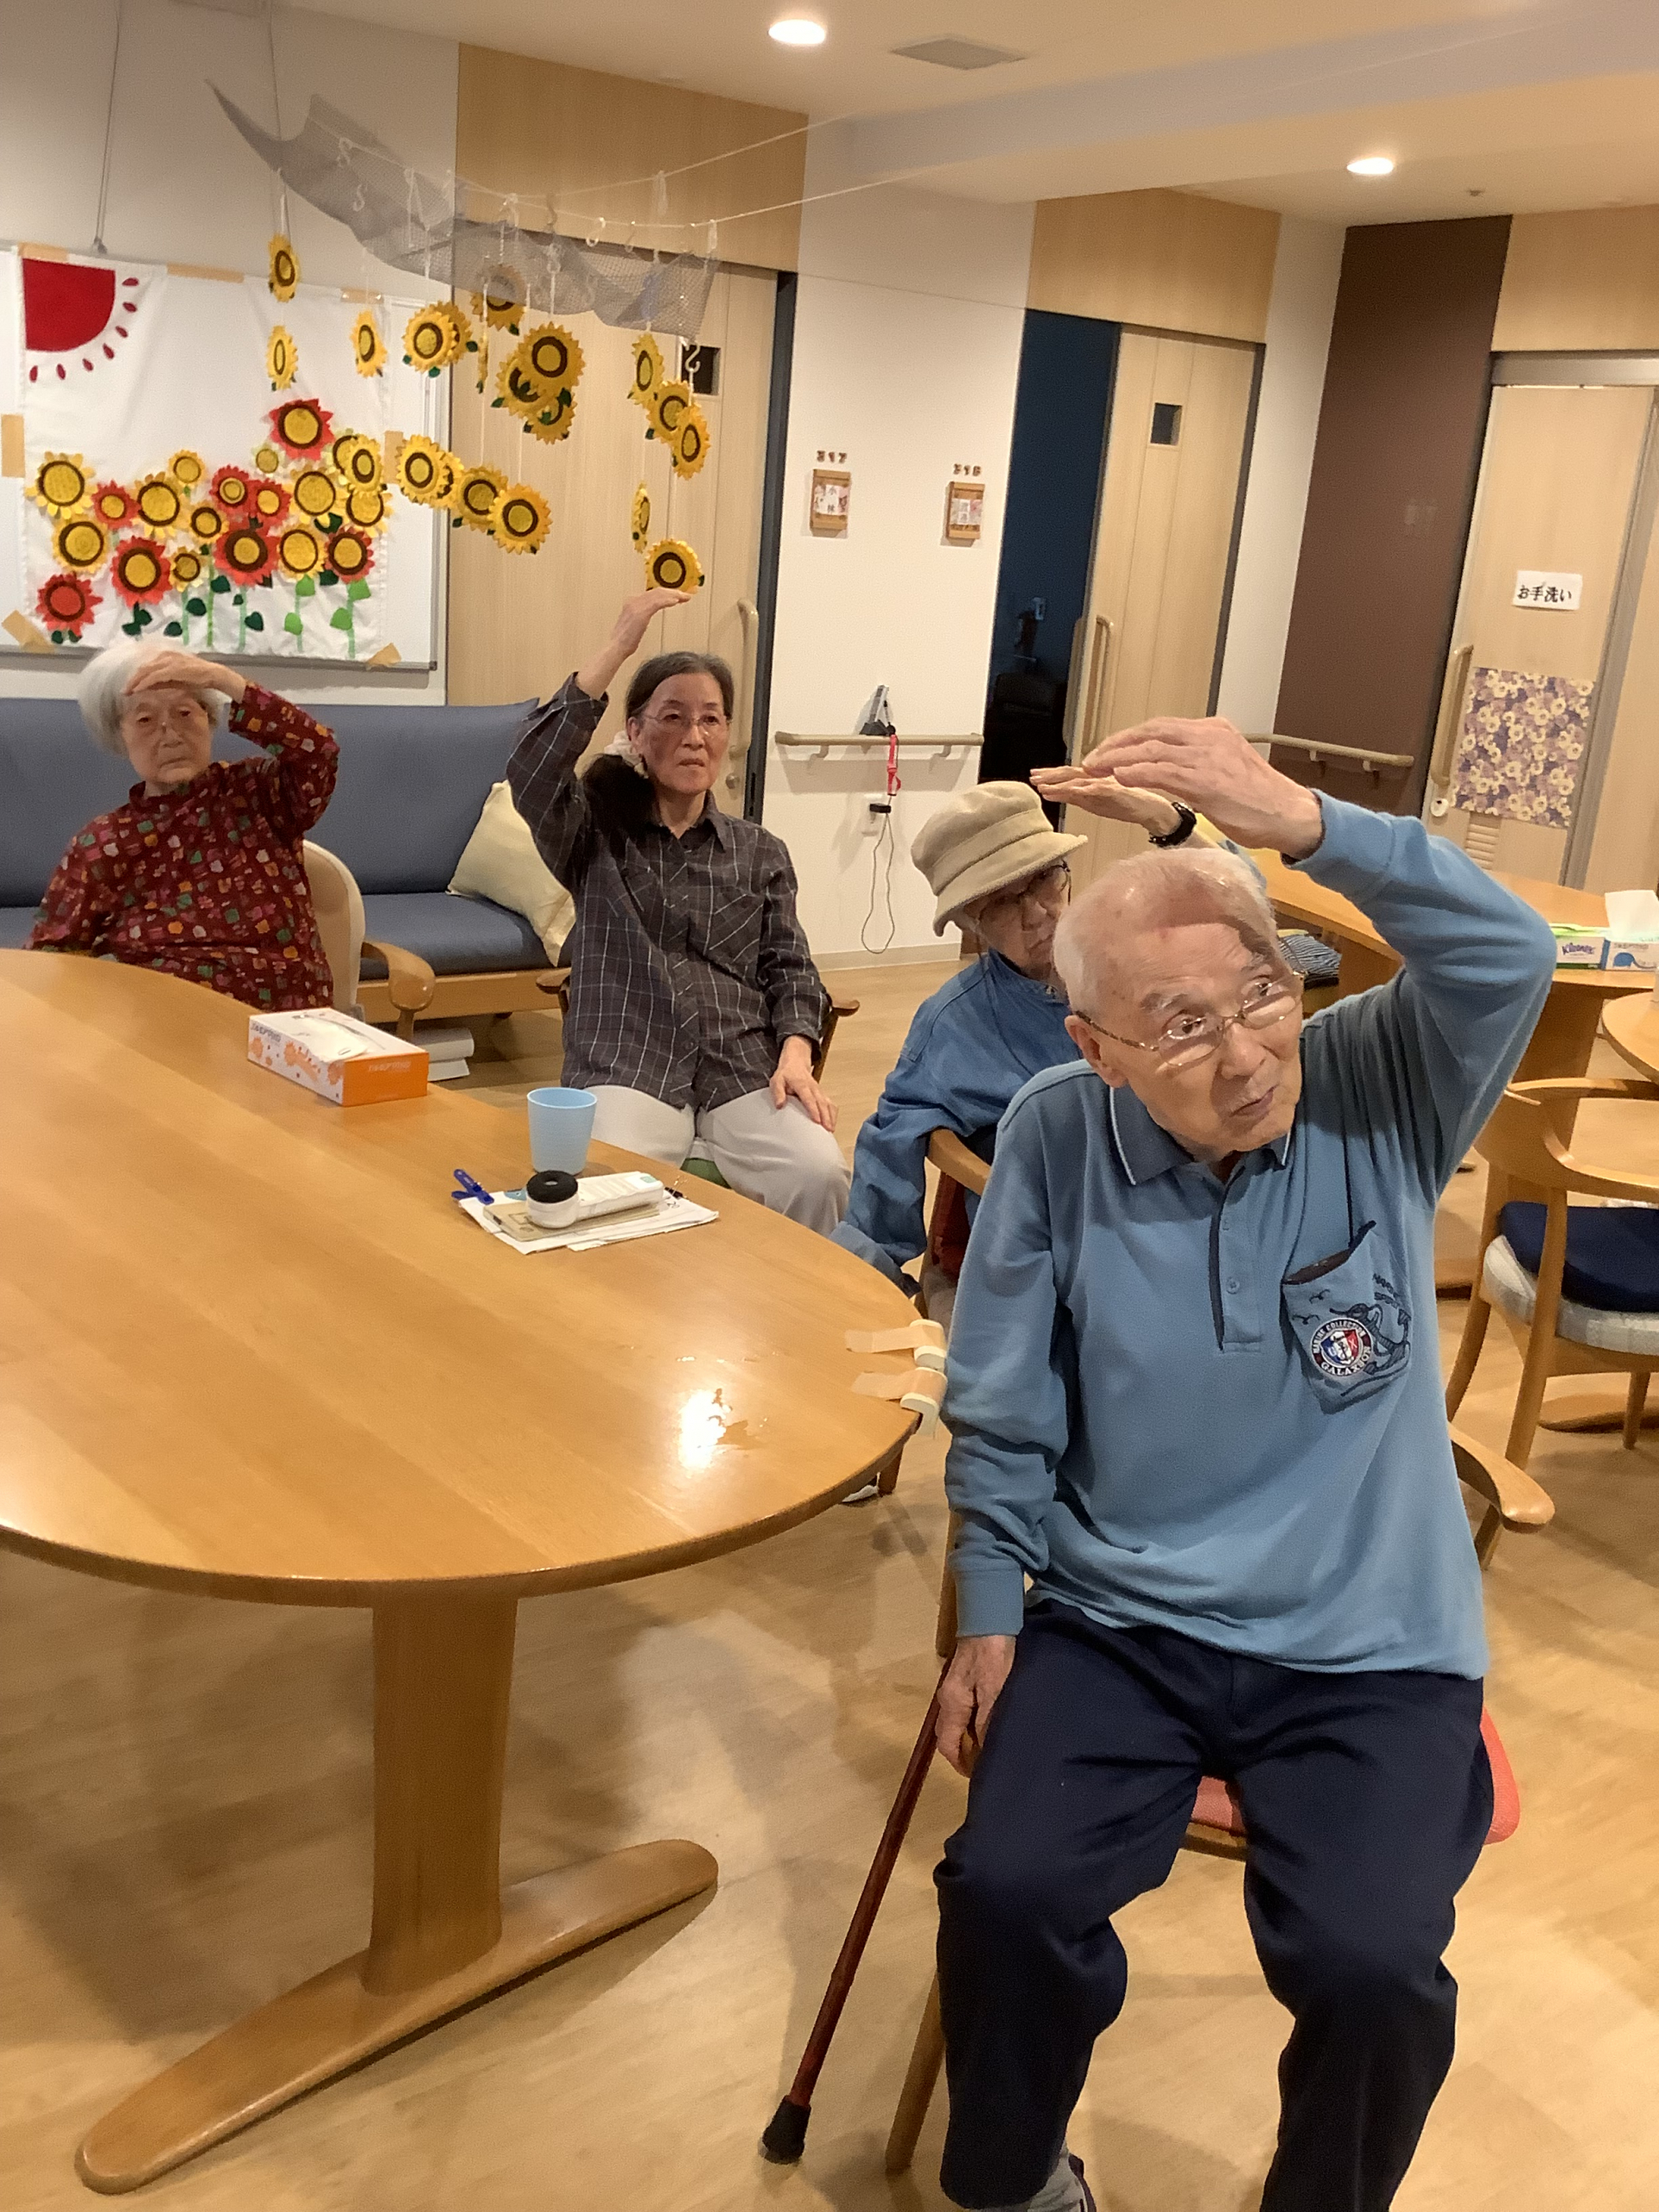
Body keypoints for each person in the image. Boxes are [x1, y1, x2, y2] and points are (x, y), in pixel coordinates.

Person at [931, 715, 1557, 2212]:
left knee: (1375, 1966)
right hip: (1123, 1618)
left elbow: (1509, 953)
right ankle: (1015, 2182)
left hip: (1373, 1637)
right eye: (1181, 1027)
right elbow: (1002, 1398)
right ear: (1095, 1051)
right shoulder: (1053, 1137)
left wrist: (1305, 821)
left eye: (1262, 996)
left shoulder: (1378, 1081)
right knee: (1005, 1893)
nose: (1246, 1055)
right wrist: (988, 1605)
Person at [508, 588, 848, 1233]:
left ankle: (780, 1297)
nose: (694, 737)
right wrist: (619, 645)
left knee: (819, 1171)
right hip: (630, 1061)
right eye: (673, 717)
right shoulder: (592, 832)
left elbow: (792, 967)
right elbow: (531, 768)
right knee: (604, 1182)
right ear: (635, 732)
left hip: (742, 1069)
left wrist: (796, 1054)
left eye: (711, 720)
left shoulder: (760, 851)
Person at [832, 776, 1223, 1294]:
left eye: (1044, 880)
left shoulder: (1134, 955)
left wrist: (1165, 819)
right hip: (1070, 1243)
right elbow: (889, 1150)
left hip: (1193, 1202)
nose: (1038, 913)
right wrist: (861, 1283)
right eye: (1002, 902)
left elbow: (1241, 911)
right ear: (970, 921)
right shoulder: (955, 1023)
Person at [28, 643, 336, 1011]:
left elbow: (318, 752)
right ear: (119, 735)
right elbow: (50, 954)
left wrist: (222, 679)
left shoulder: (259, 794)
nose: (170, 735)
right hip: (165, 1026)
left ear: (209, 718)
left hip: (288, 1022)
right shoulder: (104, 843)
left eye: (185, 712)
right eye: (145, 720)